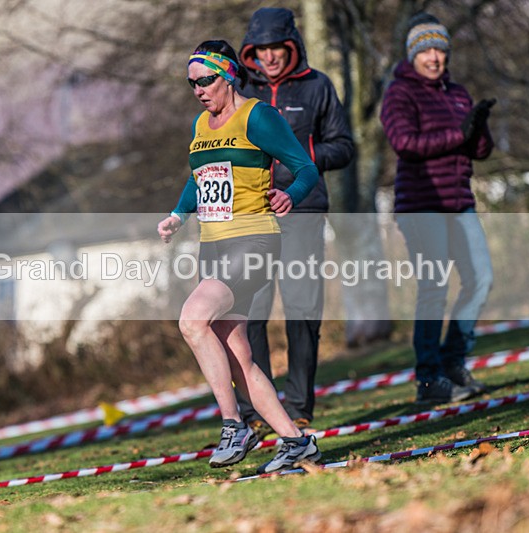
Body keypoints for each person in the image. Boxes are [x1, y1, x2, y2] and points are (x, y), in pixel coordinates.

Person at [157, 40, 323, 474]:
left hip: (253, 242)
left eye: (205, 80)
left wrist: (290, 195)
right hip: (212, 246)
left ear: (228, 74)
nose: (198, 89)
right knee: (238, 357)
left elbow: (306, 169)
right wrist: (178, 214)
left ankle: (235, 424)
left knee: (192, 321)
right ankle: (296, 441)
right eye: (191, 83)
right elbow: (200, 178)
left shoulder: (259, 117)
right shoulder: (200, 125)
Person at [234, 7, 355, 438]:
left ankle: (300, 408)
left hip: (301, 211)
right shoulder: (240, 90)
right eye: (260, 49)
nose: (268, 57)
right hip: (250, 216)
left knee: (303, 310)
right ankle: (259, 410)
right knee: (251, 314)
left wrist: (300, 152)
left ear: (292, 46)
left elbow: (343, 148)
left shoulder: (318, 86)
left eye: (276, 48)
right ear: (251, 51)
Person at [379, 13, 495, 405]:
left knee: (480, 279)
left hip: (460, 202)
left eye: (440, 50)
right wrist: (457, 134)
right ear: (413, 55)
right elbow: (404, 143)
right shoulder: (399, 93)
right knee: (434, 287)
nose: (434, 57)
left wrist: (477, 127)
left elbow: (479, 150)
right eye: (426, 50)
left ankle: (453, 362)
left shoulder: (458, 93)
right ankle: (429, 378)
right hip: (421, 206)